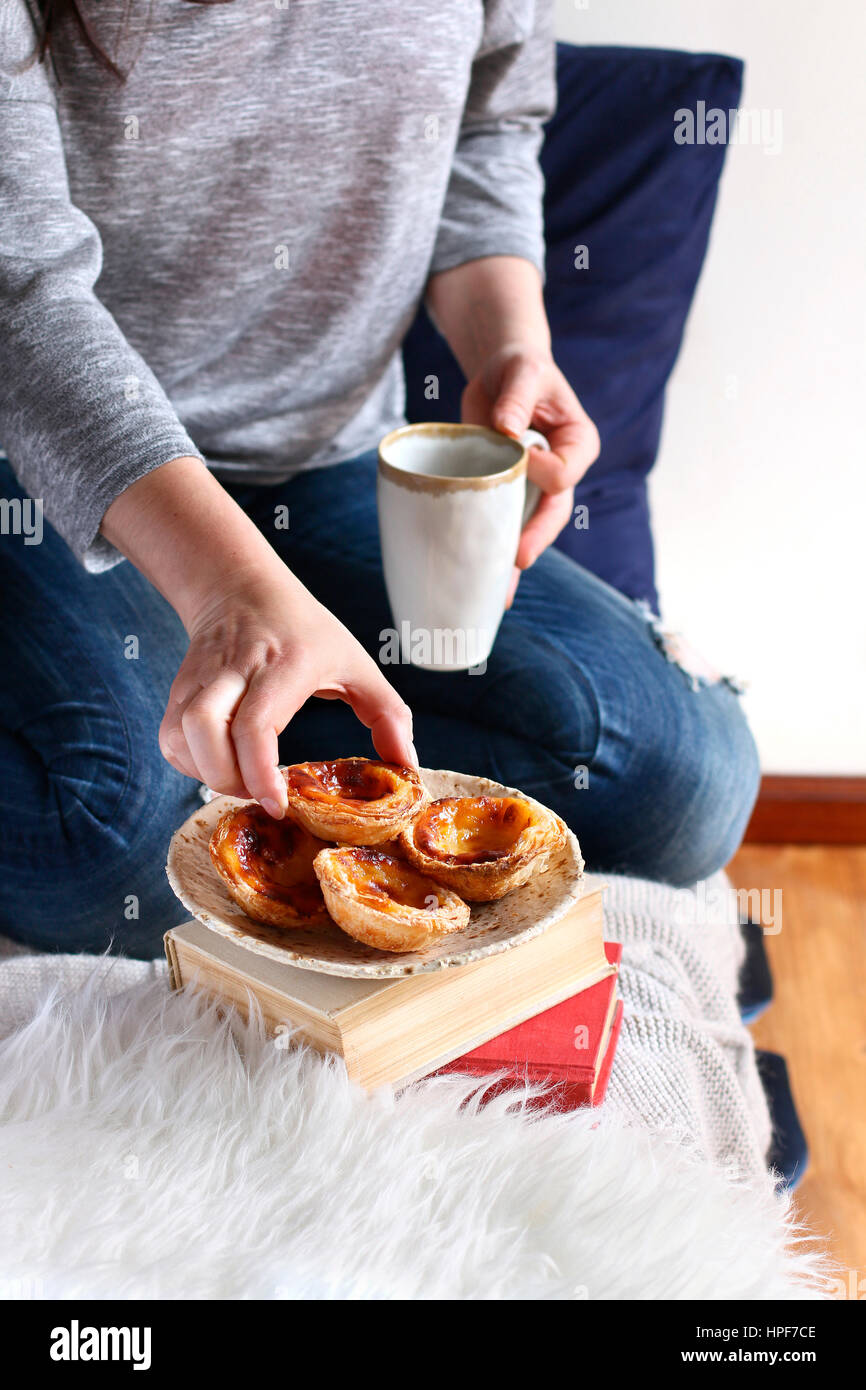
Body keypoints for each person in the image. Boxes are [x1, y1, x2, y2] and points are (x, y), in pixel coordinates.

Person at [0, 1, 759, 957]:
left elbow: (486, 124)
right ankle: (199, 761)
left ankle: (259, 768)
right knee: (115, 853)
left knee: (682, 781)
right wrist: (234, 588)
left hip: (327, 455)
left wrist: (509, 344)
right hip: (35, 472)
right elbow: (16, 280)